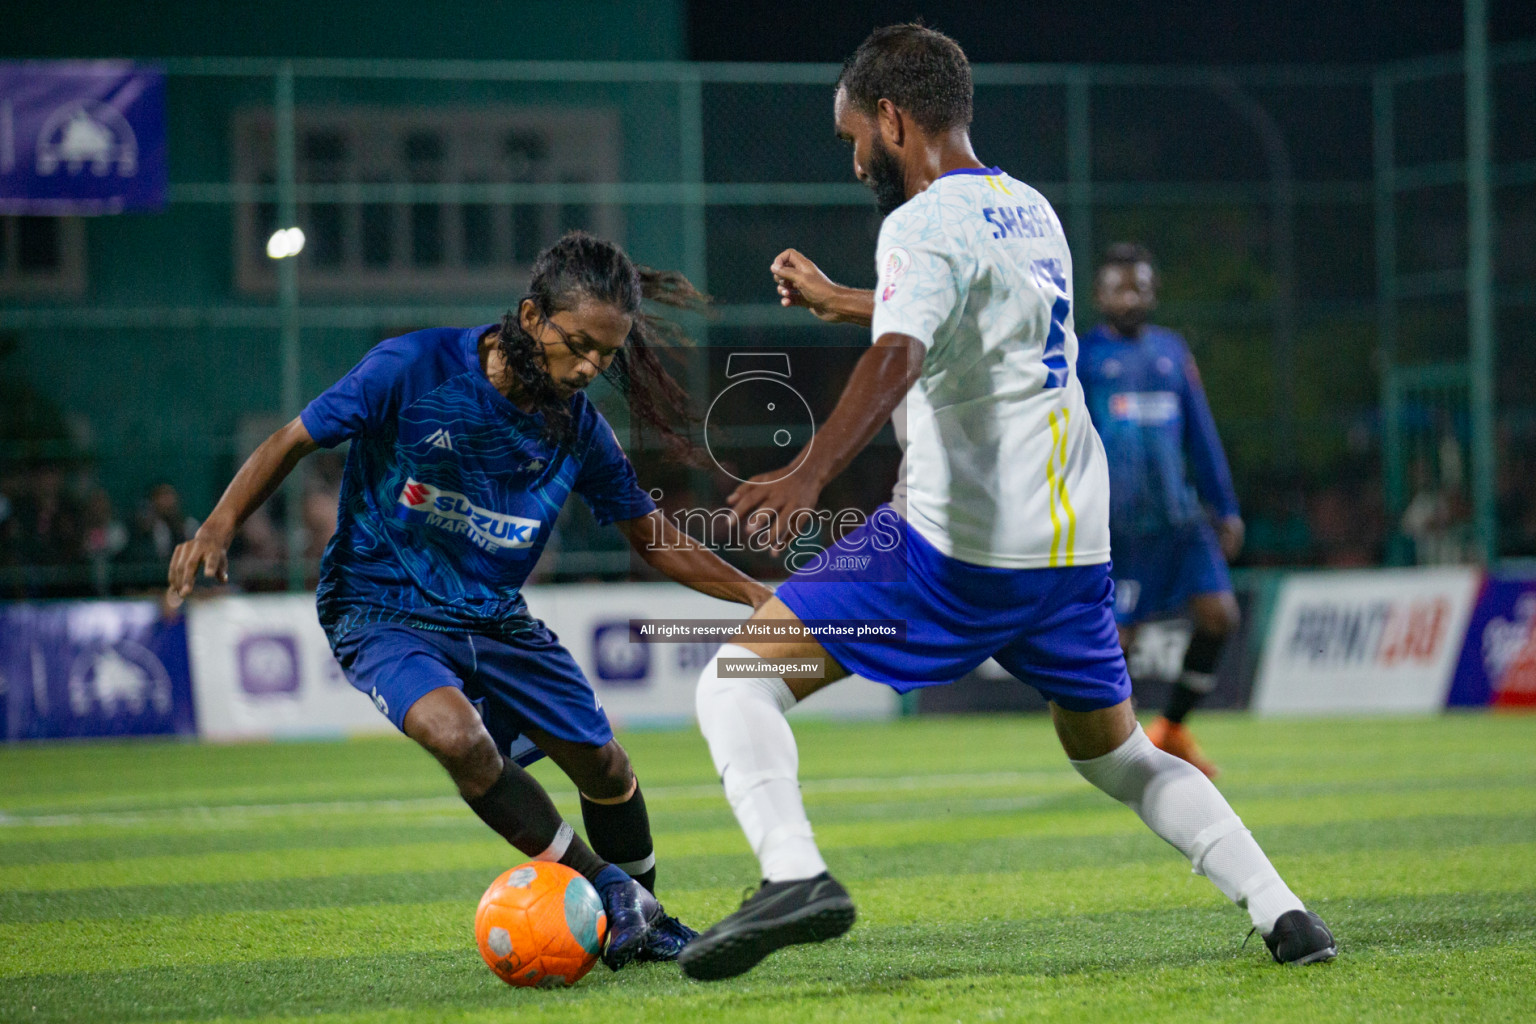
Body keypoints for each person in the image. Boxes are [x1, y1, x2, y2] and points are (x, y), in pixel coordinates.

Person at [679, 24, 1335, 981]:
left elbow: (903, 354)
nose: (855, 154)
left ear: (893, 120)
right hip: (1070, 552)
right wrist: (850, 299)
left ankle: (795, 874)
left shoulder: (916, 221)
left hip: (953, 551)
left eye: (854, 134)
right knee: (1116, 758)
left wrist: (810, 471)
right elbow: (968, 311)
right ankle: (1285, 913)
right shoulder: (1030, 211)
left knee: (733, 682)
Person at [169, 231, 774, 970]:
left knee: (606, 768)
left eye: (606, 356)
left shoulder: (578, 428)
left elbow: (651, 536)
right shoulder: (413, 368)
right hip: (379, 603)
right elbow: (294, 439)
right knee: (457, 739)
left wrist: (754, 595)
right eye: (578, 344)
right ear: (530, 317)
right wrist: (218, 525)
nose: (589, 367)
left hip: (492, 615)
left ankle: (641, 924)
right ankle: (615, 891)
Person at [1077, 243, 1244, 778]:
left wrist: (1225, 507)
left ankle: (1171, 729)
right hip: (1119, 529)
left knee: (1220, 617)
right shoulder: (1083, 358)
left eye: (1141, 287)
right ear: (1100, 295)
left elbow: (1201, 433)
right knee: (1118, 643)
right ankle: (1116, 751)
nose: (1132, 297)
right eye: (1121, 287)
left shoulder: (1172, 352)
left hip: (1179, 520)